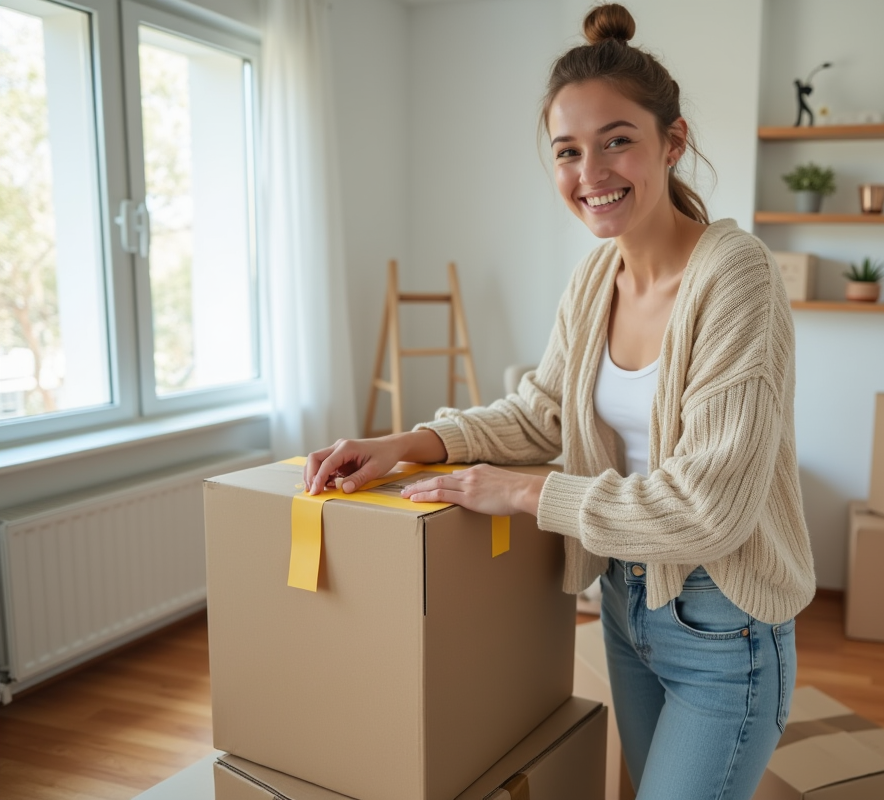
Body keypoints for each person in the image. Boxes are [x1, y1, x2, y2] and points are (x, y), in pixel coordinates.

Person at [305, 5, 815, 797]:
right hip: (623, 599)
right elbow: (540, 411)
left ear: (672, 142)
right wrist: (406, 443)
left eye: (618, 140)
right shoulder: (595, 278)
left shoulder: (735, 276)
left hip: (723, 623)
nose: (592, 174)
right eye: (568, 152)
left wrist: (523, 491)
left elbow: (710, 507)